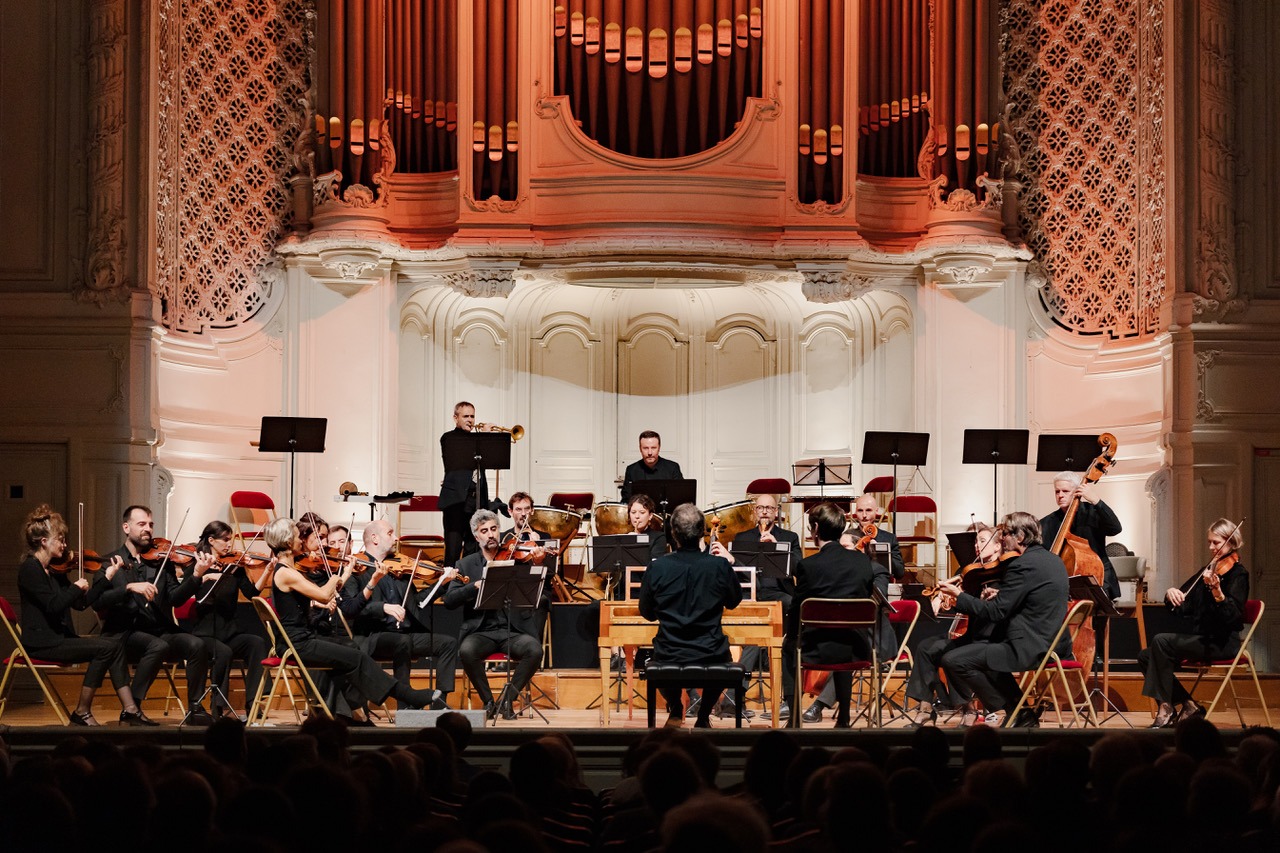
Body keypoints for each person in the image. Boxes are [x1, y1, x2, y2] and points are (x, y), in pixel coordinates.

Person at [266, 517, 443, 719]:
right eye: (298, 537)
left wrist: (347, 571)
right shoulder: (286, 573)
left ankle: (345, 712)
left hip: (302, 639)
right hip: (297, 643)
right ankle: (407, 695)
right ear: (289, 542)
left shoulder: (289, 571)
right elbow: (324, 595)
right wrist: (335, 576)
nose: (302, 541)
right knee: (355, 656)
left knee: (352, 647)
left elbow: (329, 592)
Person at [15, 505, 151, 726]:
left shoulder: (54, 570)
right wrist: (75, 588)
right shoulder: (30, 569)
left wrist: (106, 578)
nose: (65, 544)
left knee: (112, 645)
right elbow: (53, 606)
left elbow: (80, 604)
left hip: (60, 638)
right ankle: (83, 710)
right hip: (43, 642)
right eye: (60, 539)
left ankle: (130, 708)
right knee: (107, 647)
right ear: (44, 542)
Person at [934, 511, 1069, 727]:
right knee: (984, 650)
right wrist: (1002, 596)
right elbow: (1034, 599)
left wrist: (959, 596)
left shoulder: (1022, 564)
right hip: (1052, 643)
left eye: (1005, 533)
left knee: (954, 659)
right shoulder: (1053, 560)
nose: (1002, 538)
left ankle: (1015, 711)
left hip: (1029, 646)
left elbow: (996, 612)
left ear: (1020, 537)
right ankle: (1020, 712)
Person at [94, 505, 218, 725]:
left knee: (196, 645)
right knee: (158, 646)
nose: (148, 529)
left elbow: (175, 598)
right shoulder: (110, 561)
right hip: (126, 632)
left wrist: (196, 576)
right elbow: (98, 602)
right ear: (126, 527)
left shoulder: (162, 560)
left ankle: (195, 708)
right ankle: (133, 708)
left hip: (159, 630)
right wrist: (130, 586)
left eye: (150, 524)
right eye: (141, 524)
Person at [638, 502, 743, 729]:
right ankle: (704, 715)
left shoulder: (657, 567)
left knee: (657, 656)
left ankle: (676, 706)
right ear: (701, 531)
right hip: (711, 651)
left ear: (673, 533)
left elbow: (646, 613)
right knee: (724, 656)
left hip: (669, 651)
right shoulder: (719, 566)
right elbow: (734, 601)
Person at [1139, 518, 1248, 728]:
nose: (1211, 547)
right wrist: (1170, 594)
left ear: (1231, 542)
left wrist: (1218, 594)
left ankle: (1166, 708)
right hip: (1202, 639)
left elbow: (1234, 619)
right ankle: (1188, 704)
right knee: (1145, 655)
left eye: (1216, 542)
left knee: (1160, 641)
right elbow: (1182, 606)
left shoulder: (1238, 574)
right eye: (1210, 542)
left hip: (1222, 643)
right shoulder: (1206, 571)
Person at [443, 509, 551, 720]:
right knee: (467, 651)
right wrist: (473, 587)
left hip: (513, 629)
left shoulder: (517, 558)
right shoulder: (465, 564)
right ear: (476, 536)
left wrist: (537, 562)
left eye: (494, 529)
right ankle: (488, 701)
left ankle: (507, 699)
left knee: (535, 650)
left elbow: (536, 587)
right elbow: (449, 601)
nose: (491, 534)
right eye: (484, 531)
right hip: (481, 630)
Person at [784, 502, 883, 729]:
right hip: (855, 649)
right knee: (844, 635)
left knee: (789, 647)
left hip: (815, 650)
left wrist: (791, 637)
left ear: (816, 528)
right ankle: (844, 717)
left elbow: (797, 607)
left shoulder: (808, 565)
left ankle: (794, 717)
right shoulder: (863, 562)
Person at [350, 519, 459, 708]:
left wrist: (441, 584)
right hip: (374, 636)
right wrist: (383, 607)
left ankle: (440, 703)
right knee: (402, 642)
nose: (396, 537)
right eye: (390, 533)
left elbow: (416, 603)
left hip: (404, 634)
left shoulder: (399, 568)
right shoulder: (358, 568)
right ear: (374, 538)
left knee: (448, 644)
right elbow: (352, 608)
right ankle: (406, 704)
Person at [903, 523, 1003, 725]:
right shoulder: (972, 573)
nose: (976, 546)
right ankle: (925, 707)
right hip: (971, 637)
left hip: (991, 639)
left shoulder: (1003, 574)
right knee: (925, 648)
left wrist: (966, 598)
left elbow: (996, 610)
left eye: (982, 541)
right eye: (976, 541)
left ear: (998, 546)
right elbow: (966, 606)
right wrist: (947, 599)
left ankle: (968, 709)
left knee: (951, 657)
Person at [710, 492, 798, 720]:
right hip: (752, 595)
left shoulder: (790, 536)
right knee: (753, 640)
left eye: (769, 508)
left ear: (776, 512)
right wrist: (731, 559)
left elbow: (799, 567)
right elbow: (738, 573)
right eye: (760, 508)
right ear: (754, 512)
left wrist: (778, 547)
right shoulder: (742, 538)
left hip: (780, 595)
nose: (765, 511)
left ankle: (732, 698)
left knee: (768, 637)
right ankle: (732, 700)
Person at [190, 520, 273, 719]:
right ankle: (218, 706)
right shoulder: (200, 566)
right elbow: (192, 596)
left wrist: (267, 571)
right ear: (211, 540)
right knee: (224, 652)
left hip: (229, 631)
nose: (230, 545)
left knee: (256, 643)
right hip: (206, 634)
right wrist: (204, 577)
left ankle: (254, 702)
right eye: (225, 540)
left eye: (231, 540)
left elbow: (251, 592)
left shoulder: (234, 566)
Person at [1039, 471, 1122, 599]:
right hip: (1064, 581)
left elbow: (1115, 529)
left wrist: (1096, 501)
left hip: (1097, 577)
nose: (1060, 495)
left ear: (1077, 492)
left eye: (1065, 491)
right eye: (1057, 491)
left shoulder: (1093, 512)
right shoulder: (1046, 523)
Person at [440, 401, 501, 567]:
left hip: (476, 500)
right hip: (456, 502)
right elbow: (461, 457)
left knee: (473, 547)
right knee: (453, 548)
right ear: (455, 418)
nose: (470, 420)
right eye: (465, 416)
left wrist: (488, 440)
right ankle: (448, 587)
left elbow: (491, 459)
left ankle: (470, 584)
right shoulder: (448, 438)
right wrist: (484, 437)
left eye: (472, 416)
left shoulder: (477, 440)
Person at [620, 430, 683, 502]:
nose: (650, 453)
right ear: (640, 449)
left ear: (659, 448)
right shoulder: (631, 470)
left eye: (653, 448)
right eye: (645, 448)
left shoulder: (673, 468)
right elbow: (626, 500)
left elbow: (680, 498)